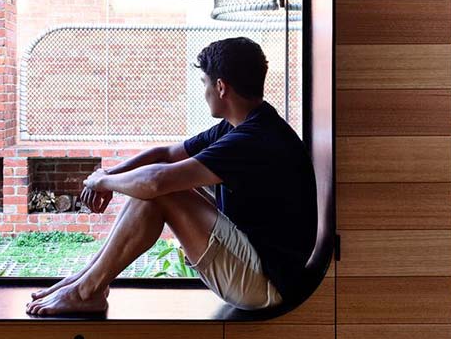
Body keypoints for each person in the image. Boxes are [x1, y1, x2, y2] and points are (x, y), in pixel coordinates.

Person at [26, 36, 317, 316]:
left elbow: (156, 182)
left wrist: (102, 182)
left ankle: (86, 291)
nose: (204, 93)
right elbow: (165, 154)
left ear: (220, 87)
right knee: (158, 188)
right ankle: (86, 281)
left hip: (266, 284)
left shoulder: (254, 138)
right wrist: (109, 173)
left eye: (204, 83)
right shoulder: (243, 124)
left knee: (161, 192)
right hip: (256, 265)